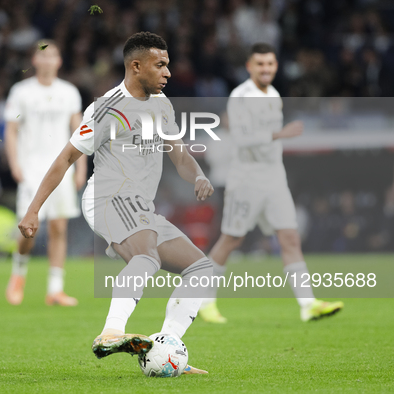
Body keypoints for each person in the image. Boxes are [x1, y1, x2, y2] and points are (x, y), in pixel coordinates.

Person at [18, 32, 213, 374]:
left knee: (201, 268)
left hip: (141, 207)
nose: (168, 72)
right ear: (136, 66)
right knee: (145, 256)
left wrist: (197, 175)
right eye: (161, 65)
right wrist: (34, 209)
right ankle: (111, 331)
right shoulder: (106, 108)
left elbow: (180, 155)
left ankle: (167, 348)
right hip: (108, 198)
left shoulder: (162, 105)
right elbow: (65, 159)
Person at [198, 43, 343, 323]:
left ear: (276, 66)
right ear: (249, 67)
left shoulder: (274, 94)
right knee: (231, 239)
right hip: (247, 178)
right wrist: (278, 135)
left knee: (290, 237)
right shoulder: (241, 96)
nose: (266, 69)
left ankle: (308, 304)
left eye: (270, 64)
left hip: (275, 178)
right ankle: (204, 301)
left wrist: (276, 137)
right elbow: (239, 138)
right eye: (260, 64)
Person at [4, 40, 86, 306]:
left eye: (53, 55)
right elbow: (11, 130)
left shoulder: (69, 92)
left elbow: (80, 131)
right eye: (43, 55)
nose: (48, 60)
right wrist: (15, 163)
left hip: (61, 167)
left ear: (59, 61)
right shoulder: (21, 92)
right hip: (32, 167)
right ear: (34, 60)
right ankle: (18, 274)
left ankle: (55, 289)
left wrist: (81, 167)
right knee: (29, 228)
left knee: (59, 226)